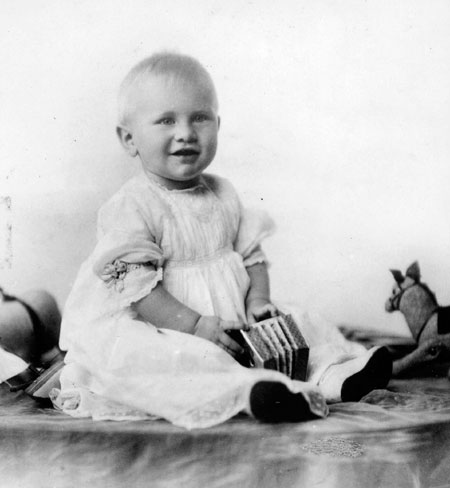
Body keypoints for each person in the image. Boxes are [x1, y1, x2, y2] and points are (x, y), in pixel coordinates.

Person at [52, 52, 391, 429]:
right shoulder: (134, 206)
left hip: (234, 319)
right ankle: (250, 393)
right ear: (129, 139)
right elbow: (138, 288)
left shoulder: (223, 193)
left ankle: (334, 378)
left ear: (218, 123)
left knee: (299, 329)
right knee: (182, 362)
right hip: (167, 324)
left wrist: (258, 300)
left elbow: (251, 256)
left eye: (200, 117)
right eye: (166, 120)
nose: (185, 132)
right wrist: (196, 326)